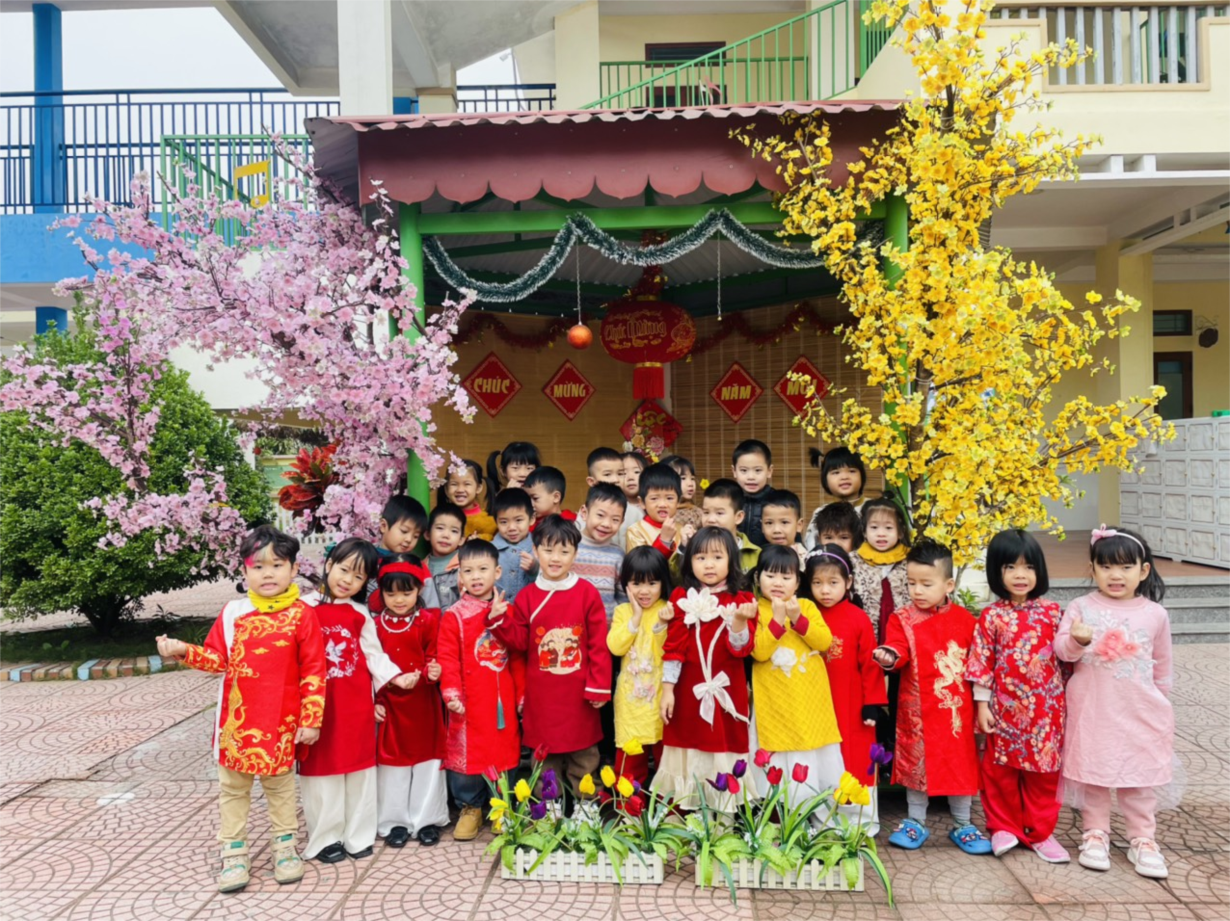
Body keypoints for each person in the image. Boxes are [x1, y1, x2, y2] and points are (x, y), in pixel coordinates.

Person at [155, 525, 326, 893]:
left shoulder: (302, 615)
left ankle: (285, 847)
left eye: (277, 565)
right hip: (237, 724)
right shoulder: (234, 612)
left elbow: (314, 671)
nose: (268, 574)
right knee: (233, 789)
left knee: (281, 789)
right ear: (244, 571)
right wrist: (183, 650)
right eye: (258, 566)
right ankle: (234, 852)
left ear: (294, 569)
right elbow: (217, 660)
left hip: (281, 723)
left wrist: (311, 720)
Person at [1055, 526, 1176, 880]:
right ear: (1093, 569)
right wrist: (1077, 641)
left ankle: (1143, 839)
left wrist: (1161, 702)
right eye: (1106, 566)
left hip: (1140, 709)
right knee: (1094, 774)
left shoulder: (1155, 614)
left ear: (1143, 570)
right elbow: (1062, 650)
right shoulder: (1081, 607)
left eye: (1125, 567)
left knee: (1138, 778)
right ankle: (1095, 834)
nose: (1115, 575)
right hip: (1093, 709)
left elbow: (1163, 665)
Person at [299, 539, 413, 863]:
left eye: (359, 576)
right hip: (318, 705)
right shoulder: (303, 609)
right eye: (344, 569)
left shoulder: (360, 613)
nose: (348, 580)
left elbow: (374, 655)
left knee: (360, 770)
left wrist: (396, 677)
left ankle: (358, 836)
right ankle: (325, 839)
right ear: (329, 564)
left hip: (355, 704)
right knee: (322, 771)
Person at [872, 541, 990, 854]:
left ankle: (963, 823)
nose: (917, 591)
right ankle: (915, 821)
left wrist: (983, 703)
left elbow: (979, 664)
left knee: (960, 764)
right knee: (916, 765)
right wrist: (889, 656)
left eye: (926, 584)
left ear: (948, 585)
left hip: (956, 711)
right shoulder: (902, 618)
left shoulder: (967, 621)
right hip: (916, 711)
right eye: (911, 583)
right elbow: (897, 649)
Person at [490, 515, 612, 805]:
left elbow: (598, 644)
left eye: (564, 551)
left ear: (575, 554)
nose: (555, 558)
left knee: (585, 755)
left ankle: (586, 807)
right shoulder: (527, 596)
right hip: (542, 695)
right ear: (535, 551)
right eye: (547, 550)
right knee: (544, 758)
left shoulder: (587, 593)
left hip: (580, 694)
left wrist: (598, 686)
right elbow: (520, 642)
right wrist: (498, 621)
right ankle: (547, 810)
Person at [965, 529, 1069, 863]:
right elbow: (982, 661)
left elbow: (1067, 660)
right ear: (997, 571)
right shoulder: (992, 616)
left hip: (1046, 712)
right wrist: (982, 704)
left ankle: (1040, 833)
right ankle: (1003, 827)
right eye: (1010, 567)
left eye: (1028, 567)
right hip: (1004, 709)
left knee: (1044, 774)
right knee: (1000, 772)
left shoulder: (1054, 613)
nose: (1020, 575)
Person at [653, 526, 758, 812]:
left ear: (731, 560)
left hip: (728, 692)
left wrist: (739, 622)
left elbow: (741, 649)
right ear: (689, 562)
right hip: (687, 692)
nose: (709, 564)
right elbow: (673, 648)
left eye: (717, 557)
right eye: (700, 558)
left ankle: (721, 819)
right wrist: (667, 691)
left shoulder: (743, 601)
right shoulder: (681, 598)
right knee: (686, 744)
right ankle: (681, 816)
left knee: (723, 748)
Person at [437, 540, 525, 841]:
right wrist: (451, 693)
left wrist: (522, 696)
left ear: (497, 572)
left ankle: (502, 805)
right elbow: (447, 657)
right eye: (468, 571)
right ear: (460, 575)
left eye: (483, 569)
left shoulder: (508, 610)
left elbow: (517, 655)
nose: (476, 576)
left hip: (502, 698)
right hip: (469, 699)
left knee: (504, 749)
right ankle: (470, 807)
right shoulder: (454, 615)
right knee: (467, 752)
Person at [802, 544, 885, 834]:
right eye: (817, 583)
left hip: (851, 703)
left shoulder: (858, 618)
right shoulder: (805, 615)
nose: (825, 590)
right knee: (819, 757)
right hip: (814, 703)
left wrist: (872, 703)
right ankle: (821, 820)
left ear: (848, 582)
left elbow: (870, 664)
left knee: (855, 757)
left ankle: (860, 821)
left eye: (833, 582)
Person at [749, 545, 841, 807]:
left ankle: (812, 810)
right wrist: (777, 621)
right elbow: (759, 652)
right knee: (776, 746)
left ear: (798, 582)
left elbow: (824, 642)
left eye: (786, 577)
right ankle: (776, 812)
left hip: (807, 699)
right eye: (770, 575)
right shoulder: (755, 609)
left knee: (810, 746)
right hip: (774, 700)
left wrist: (798, 618)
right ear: (757, 577)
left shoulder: (806, 606)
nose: (778, 583)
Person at [373, 557, 450, 849]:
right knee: (393, 764)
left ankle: (427, 820)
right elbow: (370, 664)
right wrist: (375, 700)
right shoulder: (375, 626)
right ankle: (395, 822)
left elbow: (434, 653)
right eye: (391, 593)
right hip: (391, 704)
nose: (399, 600)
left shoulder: (428, 621)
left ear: (419, 589)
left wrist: (432, 671)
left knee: (428, 761)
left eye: (406, 592)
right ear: (381, 593)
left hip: (424, 702)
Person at [607, 547, 672, 786]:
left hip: (661, 700)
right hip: (630, 704)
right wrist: (635, 618)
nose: (644, 591)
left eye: (652, 583)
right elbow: (616, 647)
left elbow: (665, 652)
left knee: (667, 763)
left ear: (663, 583)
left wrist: (662, 624)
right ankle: (629, 807)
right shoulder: (623, 611)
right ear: (626, 584)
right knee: (629, 766)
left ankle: (667, 806)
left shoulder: (668, 609)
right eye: (636, 583)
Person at [574, 483, 629, 620]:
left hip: (607, 628)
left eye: (615, 520)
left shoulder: (618, 555)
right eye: (600, 515)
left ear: (622, 522)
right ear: (584, 513)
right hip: (570, 626)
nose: (606, 524)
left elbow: (624, 599)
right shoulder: (569, 547)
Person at [368, 494, 429, 613]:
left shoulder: (417, 567)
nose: (409, 539)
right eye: (404, 531)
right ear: (383, 526)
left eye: (416, 536)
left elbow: (430, 605)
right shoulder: (367, 559)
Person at [804, 446, 867, 550]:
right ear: (825, 480)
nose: (844, 477)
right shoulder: (820, 512)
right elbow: (811, 546)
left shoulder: (874, 509)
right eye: (836, 472)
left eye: (852, 471)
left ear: (862, 476)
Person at [700, 478, 761, 575]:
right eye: (706, 512)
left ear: (738, 517)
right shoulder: (695, 549)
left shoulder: (756, 555)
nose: (710, 519)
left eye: (719, 513)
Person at [625, 462, 681, 557]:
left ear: (678, 502)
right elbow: (641, 564)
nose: (662, 504)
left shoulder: (681, 530)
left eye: (669, 498)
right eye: (654, 498)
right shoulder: (635, 531)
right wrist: (664, 541)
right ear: (642, 503)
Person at [490, 487, 536, 602]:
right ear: (496, 522)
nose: (511, 528)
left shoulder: (539, 549)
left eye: (518, 520)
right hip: (496, 610)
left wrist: (535, 569)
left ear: (531, 519)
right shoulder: (488, 551)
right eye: (504, 522)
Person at [422, 502, 465, 610]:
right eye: (440, 528)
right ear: (427, 534)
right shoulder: (420, 567)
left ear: (461, 540)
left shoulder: (465, 566)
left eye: (454, 531)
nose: (446, 535)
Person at [732, 439, 774, 549]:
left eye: (758, 470)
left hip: (767, 557)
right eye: (744, 470)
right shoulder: (729, 499)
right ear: (734, 471)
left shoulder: (777, 500)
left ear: (769, 471)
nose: (751, 477)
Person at [439, 459, 495, 541]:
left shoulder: (488, 521)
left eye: (467, 484)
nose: (460, 490)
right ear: (446, 489)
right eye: (454, 484)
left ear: (478, 488)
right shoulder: (440, 518)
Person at [760, 489, 807, 561]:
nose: (776, 530)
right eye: (769, 523)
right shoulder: (758, 557)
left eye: (784, 522)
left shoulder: (806, 559)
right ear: (762, 526)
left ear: (799, 525)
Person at [662, 454, 703, 534]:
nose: (690, 484)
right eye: (683, 478)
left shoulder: (697, 513)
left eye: (692, 478)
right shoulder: (661, 512)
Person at [616, 451, 647, 549]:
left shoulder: (652, 506)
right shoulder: (614, 507)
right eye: (623, 473)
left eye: (637, 472)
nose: (630, 478)